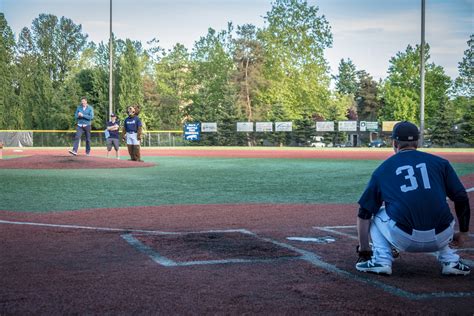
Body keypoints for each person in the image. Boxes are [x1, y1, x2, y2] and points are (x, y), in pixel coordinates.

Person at [356, 121, 470, 276]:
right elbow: (461, 197)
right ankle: (451, 261)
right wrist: (463, 232)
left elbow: (364, 213)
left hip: (404, 238)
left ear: (395, 143)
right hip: (442, 236)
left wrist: (364, 249)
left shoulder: (383, 169)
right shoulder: (441, 163)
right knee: (438, 207)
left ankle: (381, 260)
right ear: (417, 142)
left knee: (377, 214)